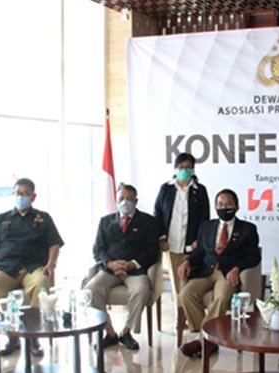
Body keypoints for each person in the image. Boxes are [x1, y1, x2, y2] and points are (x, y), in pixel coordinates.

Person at [0, 178, 64, 357]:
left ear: (33, 197)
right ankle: (11, 335)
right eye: (18, 193)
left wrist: (51, 263)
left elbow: (54, 244)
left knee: (41, 283)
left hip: (33, 268)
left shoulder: (43, 218)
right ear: (13, 194)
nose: (21, 197)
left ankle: (33, 336)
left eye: (26, 194)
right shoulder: (1, 219)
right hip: (6, 269)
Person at [178, 189, 261, 358]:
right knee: (185, 294)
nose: (224, 208)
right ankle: (206, 339)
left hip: (227, 274)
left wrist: (237, 268)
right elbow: (199, 252)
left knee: (222, 298)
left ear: (236, 207)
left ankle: (203, 341)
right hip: (206, 271)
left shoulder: (248, 229)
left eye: (228, 204)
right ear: (215, 207)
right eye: (220, 204)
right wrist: (187, 262)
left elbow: (254, 256)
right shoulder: (206, 226)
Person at [87, 184, 160, 350]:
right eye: (121, 198)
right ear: (116, 200)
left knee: (141, 290)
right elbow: (98, 249)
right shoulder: (105, 221)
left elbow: (152, 250)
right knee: (91, 290)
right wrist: (110, 263)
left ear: (136, 201)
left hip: (135, 270)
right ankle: (110, 332)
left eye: (128, 198)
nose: (124, 202)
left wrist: (132, 264)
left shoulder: (148, 221)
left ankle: (126, 332)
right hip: (110, 269)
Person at [153, 152, 210, 303]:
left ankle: (184, 309)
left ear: (193, 169)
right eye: (181, 167)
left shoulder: (200, 190)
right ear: (175, 168)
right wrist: (161, 238)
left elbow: (205, 219)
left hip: (191, 245)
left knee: (187, 281)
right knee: (176, 283)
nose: (184, 170)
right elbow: (157, 215)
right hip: (171, 244)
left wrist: (199, 240)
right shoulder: (166, 189)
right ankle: (179, 312)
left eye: (188, 167)